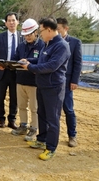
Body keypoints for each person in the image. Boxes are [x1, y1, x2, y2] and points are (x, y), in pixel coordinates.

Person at [20, 17, 71, 161]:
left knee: (53, 118)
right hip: (42, 85)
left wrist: (29, 67)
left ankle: (51, 148)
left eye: (41, 30)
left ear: (49, 30)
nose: (40, 34)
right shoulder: (46, 44)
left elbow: (51, 66)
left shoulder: (61, 46)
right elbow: (42, 60)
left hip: (53, 88)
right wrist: (29, 61)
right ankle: (41, 139)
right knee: (41, 114)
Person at [11, 18, 45, 141]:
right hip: (20, 80)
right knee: (21, 105)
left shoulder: (42, 45)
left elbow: (42, 61)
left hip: (34, 82)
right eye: (25, 35)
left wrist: (29, 62)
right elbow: (14, 59)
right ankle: (23, 125)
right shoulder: (21, 46)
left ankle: (34, 128)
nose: (28, 37)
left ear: (36, 32)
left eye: (30, 34)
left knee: (34, 108)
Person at [0, 12, 22, 129]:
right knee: (0, 97)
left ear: (17, 22)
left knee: (14, 98)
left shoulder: (22, 37)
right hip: (2, 71)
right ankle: (1, 119)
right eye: (9, 20)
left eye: (13, 20)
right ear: (5, 23)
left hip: (17, 72)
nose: (11, 22)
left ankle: (12, 119)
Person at [56, 17, 82, 147]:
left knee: (68, 109)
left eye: (58, 29)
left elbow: (77, 62)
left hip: (67, 82)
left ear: (66, 28)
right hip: (53, 81)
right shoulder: (50, 41)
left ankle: (72, 135)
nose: (56, 31)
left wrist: (74, 80)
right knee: (53, 110)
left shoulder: (75, 42)